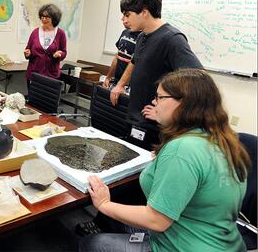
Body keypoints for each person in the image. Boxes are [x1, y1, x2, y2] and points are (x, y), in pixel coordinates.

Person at [80, 68, 251, 252]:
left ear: (184, 103)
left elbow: (157, 220)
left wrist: (104, 204)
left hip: (182, 246)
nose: (154, 102)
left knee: (93, 244)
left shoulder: (182, 149)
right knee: (115, 218)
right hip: (222, 241)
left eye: (160, 97)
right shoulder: (222, 139)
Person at [109, 0, 202, 149]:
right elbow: (135, 61)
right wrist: (120, 85)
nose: (123, 19)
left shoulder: (172, 39)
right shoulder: (141, 36)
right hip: (135, 117)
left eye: (127, 14)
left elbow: (199, 79)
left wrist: (167, 112)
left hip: (154, 125)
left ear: (144, 12)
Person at [24, 4, 67, 86]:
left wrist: (59, 54)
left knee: (48, 98)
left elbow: (64, 52)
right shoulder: (35, 32)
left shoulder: (60, 33)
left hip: (51, 75)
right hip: (34, 74)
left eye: (47, 17)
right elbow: (28, 50)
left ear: (54, 18)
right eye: (42, 17)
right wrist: (27, 54)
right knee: (33, 98)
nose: (43, 19)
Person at [102, 15, 140, 88]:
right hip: (117, 81)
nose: (123, 19)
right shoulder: (125, 32)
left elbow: (135, 65)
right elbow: (117, 56)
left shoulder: (143, 38)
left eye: (127, 15)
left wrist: (122, 84)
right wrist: (108, 78)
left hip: (129, 85)